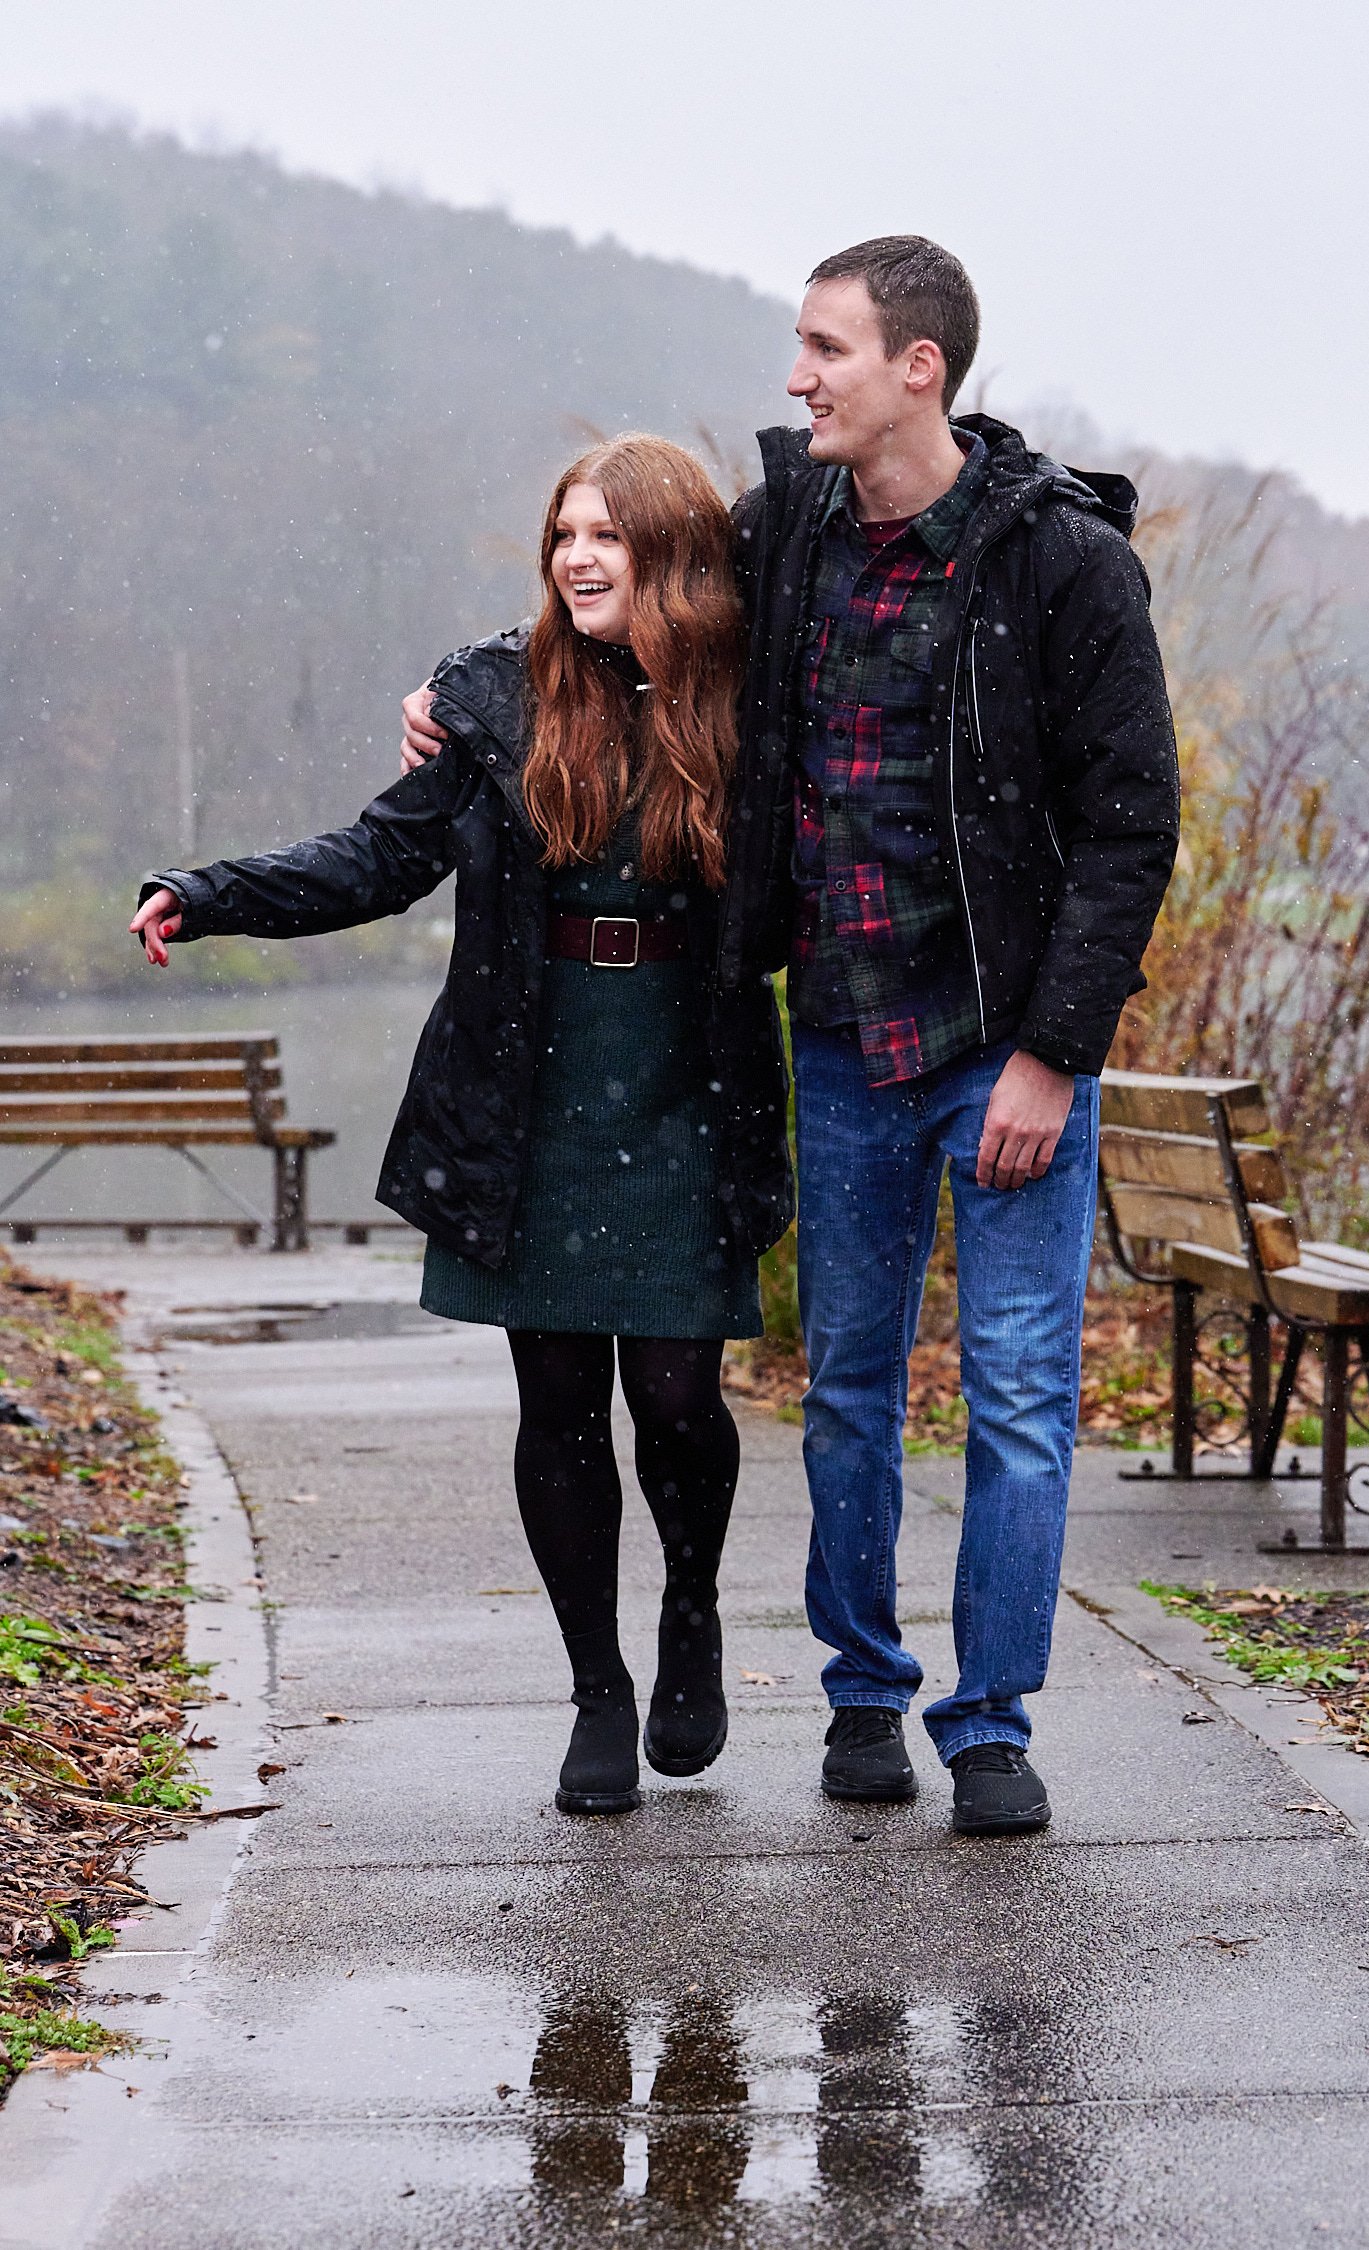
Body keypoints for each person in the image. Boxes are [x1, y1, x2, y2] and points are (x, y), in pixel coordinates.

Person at [404, 238, 1181, 1838]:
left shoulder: (1063, 567)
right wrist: (459, 687)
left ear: (920, 367)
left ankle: (992, 1723)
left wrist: (1055, 1051)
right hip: (836, 1039)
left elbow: (1128, 827)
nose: (795, 375)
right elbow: (625, 596)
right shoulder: (793, 536)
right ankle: (862, 1692)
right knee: (844, 1389)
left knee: (1022, 1396)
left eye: (825, 347)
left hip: (1005, 1045)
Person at [131, 436, 793, 1820]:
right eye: (565, 533)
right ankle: (597, 1685)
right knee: (558, 1401)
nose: (579, 557)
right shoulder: (494, 695)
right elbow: (379, 853)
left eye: (611, 534)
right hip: (528, 1087)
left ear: (673, 553)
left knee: (676, 1392)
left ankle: (689, 1611)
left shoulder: (746, 698)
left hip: (688, 1082)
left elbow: (805, 520)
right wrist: (212, 892)